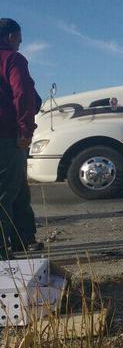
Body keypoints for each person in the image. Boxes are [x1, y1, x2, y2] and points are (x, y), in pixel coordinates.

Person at [0, 18, 43, 259]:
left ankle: (23, 239)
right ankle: (8, 249)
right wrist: (26, 130)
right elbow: (23, 93)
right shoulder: (12, 59)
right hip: (7, 137)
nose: (21, 43)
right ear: (11, 37)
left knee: (15, 189)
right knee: (9, 192)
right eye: (19, 38)